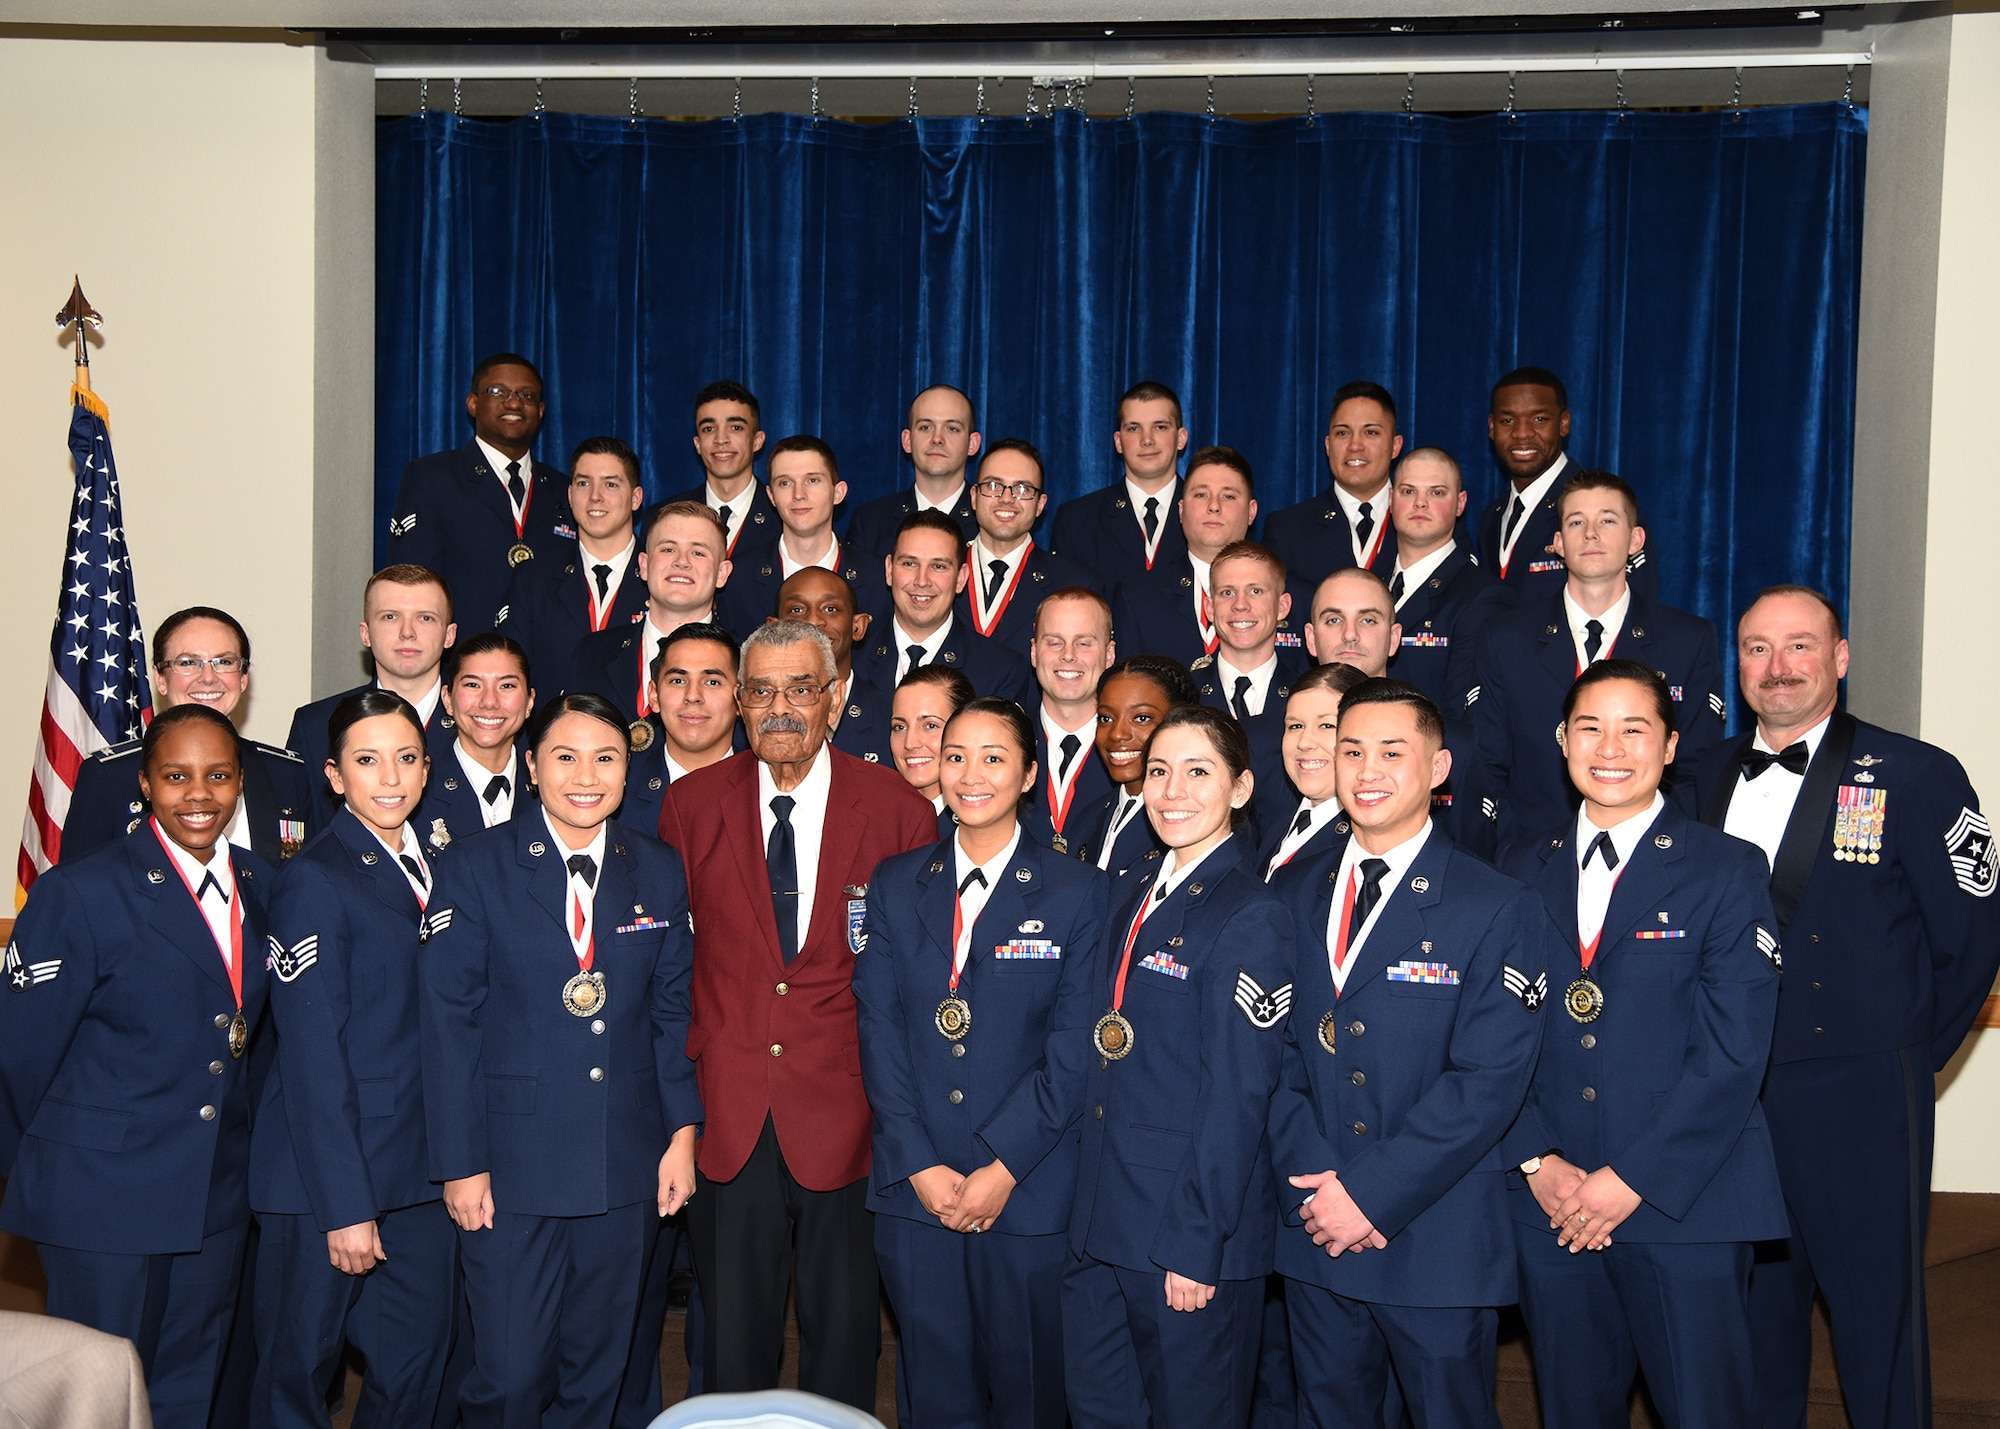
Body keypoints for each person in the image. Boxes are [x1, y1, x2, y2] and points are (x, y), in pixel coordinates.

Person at [1680, 586, 2000, 1429]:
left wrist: (1899, 1053)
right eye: (1756, 647)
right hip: (1728, 1095)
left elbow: (1970, 933)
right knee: (1753, 1311)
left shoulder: (1916, 773)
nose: (1777, 667)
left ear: (1840, 657)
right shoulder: (1697, 774)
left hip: (1857, 1088)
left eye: (1799, 646)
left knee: (1875, 1313)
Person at [655, 620, 937, 1409]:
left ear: (836, 698)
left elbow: (911, 986)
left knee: (846, 1343)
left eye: (801, 689)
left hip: (849, 1120)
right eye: (763, 691)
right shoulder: (688, 805)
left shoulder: (898, 811)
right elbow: (672, 974)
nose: (781, 708)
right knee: (730, 1348)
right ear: (741, 703)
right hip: (728, 1115)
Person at [1496, 659, 1785, 1426]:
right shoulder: (1518, 868)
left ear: (1669, 746)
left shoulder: (1726, 870)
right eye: (1590, 726)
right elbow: (1489, 1037)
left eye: (1635, 728)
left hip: (1684, 1200)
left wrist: (1630, 1178)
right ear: (1562, 741)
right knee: (1571, 1409)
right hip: (1551, 1202)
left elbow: (1732, 1055)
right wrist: (1537, 1160)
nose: (1611, 746)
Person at [1267, 678, 1552, 1429]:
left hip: (1435, 1236)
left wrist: (1369, 1193)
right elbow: (1273, 1050)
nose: (1366, 769)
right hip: (1315, 1224)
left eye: (1393, 751)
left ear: (1438, 768)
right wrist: (1316, 1182)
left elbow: (1488, 1081)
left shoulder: (1494, 903)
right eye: (1351, 749)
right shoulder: (1291, 890)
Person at [419, 691, 702, 1427]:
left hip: (626, 1159)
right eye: (565, 756)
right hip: (511, 1167)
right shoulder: (478, 866)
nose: (586, 775)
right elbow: (450, 1023)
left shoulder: (659, 869)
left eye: (606, 758)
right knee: (509, 1379)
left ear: (627, 769)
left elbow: (674, 1014)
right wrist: (460, 1161)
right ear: (531, 765)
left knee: (597, 1377)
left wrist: (682, 1134)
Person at [0, 704, 273, 1429]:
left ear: (240, 782)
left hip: (212, 1194)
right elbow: (21, 1054)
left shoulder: (260, 882)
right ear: (146, 785)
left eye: (218, 775)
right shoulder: (81, 891)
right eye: (176, 776)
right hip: (102, 1196)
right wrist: (67, 1163)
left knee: (186, 1385)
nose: (199, 794)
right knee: (96, 1391)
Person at [855, 697, 1110, 1428]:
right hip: (917, 1192)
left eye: (994, 757)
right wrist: (923, 1164)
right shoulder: (897, 882)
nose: (971, 773)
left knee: (1030, 1394)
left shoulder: (1079, 892)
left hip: (1030, 1194)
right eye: (955, 754)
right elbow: (880, 1031)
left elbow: (1074, 1049)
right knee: (935, 1396)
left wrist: (1002, 1168)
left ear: (1029, 773)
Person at [1063, 704, 1299, 1428]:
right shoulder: (1134, 886)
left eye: (1198, 772)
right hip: (1103, 1221)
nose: (1172, 791)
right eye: (1159, 771)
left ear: (1241, 787)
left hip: (1185, 1240)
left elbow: (1239, 1097)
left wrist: (1197, 1245)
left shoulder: (1251, 913)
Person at [249, 690, 458, 1428]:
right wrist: (345, 1206)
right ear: (335, 776)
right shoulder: (316, 877)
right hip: (325, 1180)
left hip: (421, 1172)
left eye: (405, 758)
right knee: (296, 1379)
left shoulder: (440, 863)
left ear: (427, 768)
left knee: (417, 1367)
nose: (390, 777)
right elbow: (312, 1057)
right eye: (367, 761)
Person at [1468, 472, 1723, 849]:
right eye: (1576, 522)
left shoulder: (1688, 640)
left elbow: (1694, 769)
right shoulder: (1504, 639)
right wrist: (1511, 854)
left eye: (1607, 520)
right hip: (1529, 860)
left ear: (1636, 540)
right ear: (1557, 543)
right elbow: (1487, 767)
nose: (1591, 533)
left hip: (1648, 858)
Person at [65, 606, 314, 867]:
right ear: (160, 679)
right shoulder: (109, 776)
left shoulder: (287, 773)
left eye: (224, 662)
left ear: (243, 678)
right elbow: (78, 892)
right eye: (187, 663)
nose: (208, 677)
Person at [389, 353, 572, 632]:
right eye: (498, 392)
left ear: (541, 410)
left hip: (544, 667)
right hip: (462, 661)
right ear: (473, 404)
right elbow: (411, 585)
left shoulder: (562, 489)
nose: (514, 403)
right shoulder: (433, 477)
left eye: (527, 394)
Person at [1475, 367, 1660, 604]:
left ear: (1564, 423)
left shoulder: (1606, 503)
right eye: (1507, 420)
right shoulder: (1491, 517)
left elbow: (1636, 608)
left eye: (1539, 419)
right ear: (1491, 427)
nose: (1522, 433)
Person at [286, 565, 462, 806]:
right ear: (365, 633)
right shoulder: (315, 725)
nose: (407, 632)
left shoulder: (481, 722)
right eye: (390, 617)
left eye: (425, 618)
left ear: (449, 635)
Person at [496, 436, 650, 704]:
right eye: (583, 483)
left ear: (636, 498)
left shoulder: (663, 578)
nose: (595, 497)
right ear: (569, 495)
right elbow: (509, 673)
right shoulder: (533, 579)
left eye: (611, 484)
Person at [1112, 447, 1293, 671]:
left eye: (1228, 496)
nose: (1214, 506)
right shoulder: (1137, 598)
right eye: (1201, 495)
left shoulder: (1293, 594)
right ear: (1180, 510)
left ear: (1251, 512)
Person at [563, 501, 733, 723]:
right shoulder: (591, 653)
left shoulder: (743, 660)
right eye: (668, 549)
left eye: (698, 552)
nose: (682, 562)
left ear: (722, 573)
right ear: (643, 565)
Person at [1194, 541, 1315, 841]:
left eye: (1256, 591)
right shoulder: (1183, 696)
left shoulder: (1310, 700)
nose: (1240, 605)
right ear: (1209, 607)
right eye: (1227, 592)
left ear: (1283, 606)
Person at [852, 510, 1034, 707]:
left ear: (961, 578)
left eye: (938, 566)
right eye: (910, 563)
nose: (922, 581)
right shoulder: (851, 657)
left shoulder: (1000, 670)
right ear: (889, 570)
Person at [1381, 448, 1508, 713]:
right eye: (1408, 491)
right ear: (1391, 500)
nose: (1420, 503)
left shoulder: (1482, 596)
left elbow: (1462, 714)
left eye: (1436, 492)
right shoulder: (1371, 586)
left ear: (1460, 503)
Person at [953, 439, 1098, 664]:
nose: (1007, 498)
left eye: (1022, 489)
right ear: (973, 496)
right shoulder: (939, 572)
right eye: (993, 486)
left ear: (1040, 504)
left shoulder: (1074, 584)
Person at [717, 435, 866, 639]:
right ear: (771, 497)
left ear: (838, 493)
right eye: (785, 483)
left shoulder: (875, 579)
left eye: (812, 480)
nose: (798, 494)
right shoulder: (737, 580)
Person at [1260, 382, 1404, 592]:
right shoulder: (1287, 529)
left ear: (1395, 446)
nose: (1355, 445)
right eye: (1343, 433)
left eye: (1371, 432)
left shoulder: (1426, 522)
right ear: (1328, 445)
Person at [1051, 381, 1191, 587]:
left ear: (1180, 438)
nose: (1147, 440)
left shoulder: (1209, 514)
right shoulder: (1076, 520)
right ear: (1118, 441)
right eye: (1134, 428)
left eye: (1160, 427)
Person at [1075, 654, 1201, 879]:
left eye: (1141, 718)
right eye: (1105, 718)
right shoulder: (1088, 818)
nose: (1117, 734)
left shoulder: (1193, 821)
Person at [622, 621, 744, 839]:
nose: (693, 695)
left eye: (712, 682)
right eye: (678, 680)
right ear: (654, 696)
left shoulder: (766, 788)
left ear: (740, 698)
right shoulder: (619, 788)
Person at [419, 633, 535, 853]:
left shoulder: (550, 792)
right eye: (473, 684)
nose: (489, 702)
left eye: (506, 686)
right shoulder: (418, 790)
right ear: (447, 699)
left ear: (529, 702)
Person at [843, 384, 983, 563]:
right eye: (925, 427)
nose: (937, 439)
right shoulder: (870, 522)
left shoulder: (987, 521)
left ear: (972, 443)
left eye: (952, 428)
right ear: (907, 441)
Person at [1261, 662, 1370, 883]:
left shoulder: (1365, 842)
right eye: (1295, 726)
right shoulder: (1279, 825)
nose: (1305, 742)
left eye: (1327, 725)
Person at [1025, 589, 1116, 854]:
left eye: (1084, 643)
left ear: (1109, 655)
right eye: (1054, 642)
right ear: (1034, 651)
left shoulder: (1137, 753)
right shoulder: (1002, 743)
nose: (1068, 655)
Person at [777, 569, 893, 767]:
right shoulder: (755, 715)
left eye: (830, 609)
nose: (814, 621)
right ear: (774, 628)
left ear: (858, 626)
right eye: (797, 609)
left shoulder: (891, 715)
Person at [660, 381, 780, 563]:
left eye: (736, 428)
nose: (721, 439)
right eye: (709, 429)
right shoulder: (663, 519)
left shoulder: (782, 517)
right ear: (697, 444)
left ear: (757, 440)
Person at [891, 665, 977, 840]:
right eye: (900, 727)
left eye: (931, 726)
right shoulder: (874, 818)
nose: (910, 743)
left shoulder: (985, 824)